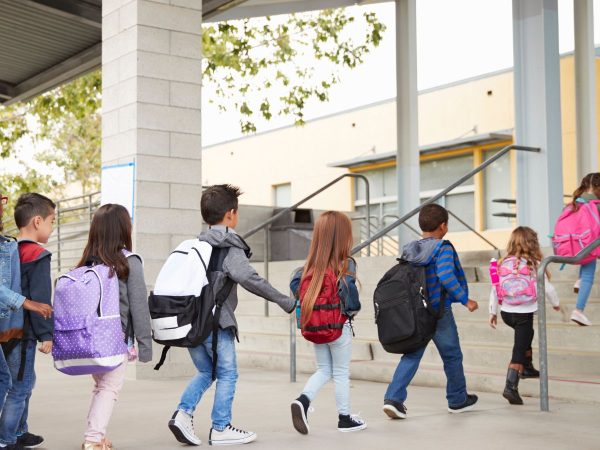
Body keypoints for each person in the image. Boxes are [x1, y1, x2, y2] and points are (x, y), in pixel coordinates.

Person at [168, 185, 295, 447]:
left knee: (206, 371)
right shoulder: (228, 245)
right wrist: (285, 301)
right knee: (227, 373)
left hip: (190, 321)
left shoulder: (196, 244)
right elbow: (249, 277)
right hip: (216, 322)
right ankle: (221, 427)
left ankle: (183, 413)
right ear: (230, 214)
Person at [382, 204, 479, 419]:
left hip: (416, 312)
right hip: (439, 313)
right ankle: (457, 399)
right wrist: (465, 300)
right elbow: (445, 275)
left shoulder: (410, 249)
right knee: (452, 356)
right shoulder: (442, 248)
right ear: (443, 226)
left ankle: (393, 399)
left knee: (412, 354)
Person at [78, 204, 153, 450]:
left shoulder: (86, 263)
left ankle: (96, 436)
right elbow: (139, 306)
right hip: (114, 338)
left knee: (101, 386)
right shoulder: (128, 261)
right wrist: (145, 345)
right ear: (123, 229)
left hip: (88, 337)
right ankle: (92, 440)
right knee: (109, 388)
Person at [289, 211, 366, 435]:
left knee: (324, 369)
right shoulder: (346, 264)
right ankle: (345, 418)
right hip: (338, 328)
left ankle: (302, 400)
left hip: (315, 326)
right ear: (343, 237)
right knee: (341, 372)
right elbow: (351, 301)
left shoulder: (306, 269)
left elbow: (296, 290)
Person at [0, 194, 55, 449]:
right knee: (20, 386)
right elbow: (41, 298)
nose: (52, 227)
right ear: (37, 221)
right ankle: (8, 438)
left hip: (7, 329)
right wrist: (46, 335)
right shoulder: (37, 254)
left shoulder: (10, 250)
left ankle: (20, 431)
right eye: (52, 221)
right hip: (24, 333)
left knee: (22, 382)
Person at [489, 226, 560, 405]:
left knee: (527, 336)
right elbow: (548, 288)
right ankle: (510, 387)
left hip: (506, 312)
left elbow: (494, 289)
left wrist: (492, 311)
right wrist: (556, 303)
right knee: (518, 351)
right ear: (532, 243)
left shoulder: (501, 263)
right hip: (523, 314)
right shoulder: (533, 264)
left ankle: (527, 367)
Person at [569, 173, 600, 326]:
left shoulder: (577, 201)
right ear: (596, 187)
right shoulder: (595, 204)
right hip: (589, 246)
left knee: (585, 267)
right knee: (589, 275)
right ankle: (578, 311)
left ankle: (579, 282)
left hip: (574, 245)